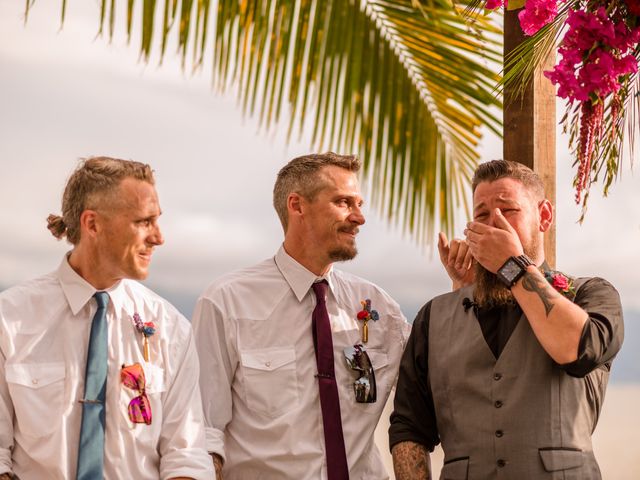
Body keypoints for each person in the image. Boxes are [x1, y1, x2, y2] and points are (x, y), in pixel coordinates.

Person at [389, 159, 624, 479]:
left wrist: (512, 266)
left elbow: (577, 352)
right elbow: (409, 428)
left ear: (544, 216)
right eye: (481, 214)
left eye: (508, 210)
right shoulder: (434, 316)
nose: (493, 222)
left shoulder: (592, 294)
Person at [191, 152, 411, 479]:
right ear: (297, 206)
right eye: (343, 202)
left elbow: (433, 393)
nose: (359, 217)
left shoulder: (379, 308)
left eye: (359, 203)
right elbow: (204, 432)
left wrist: (461, 291)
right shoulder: (227, 303)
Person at [0, 157, 214, 480]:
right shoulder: (9, 320)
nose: (159, 237)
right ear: (93, 224)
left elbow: (186, 458)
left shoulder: (171, 329)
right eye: (143, 221)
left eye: (157, 221)